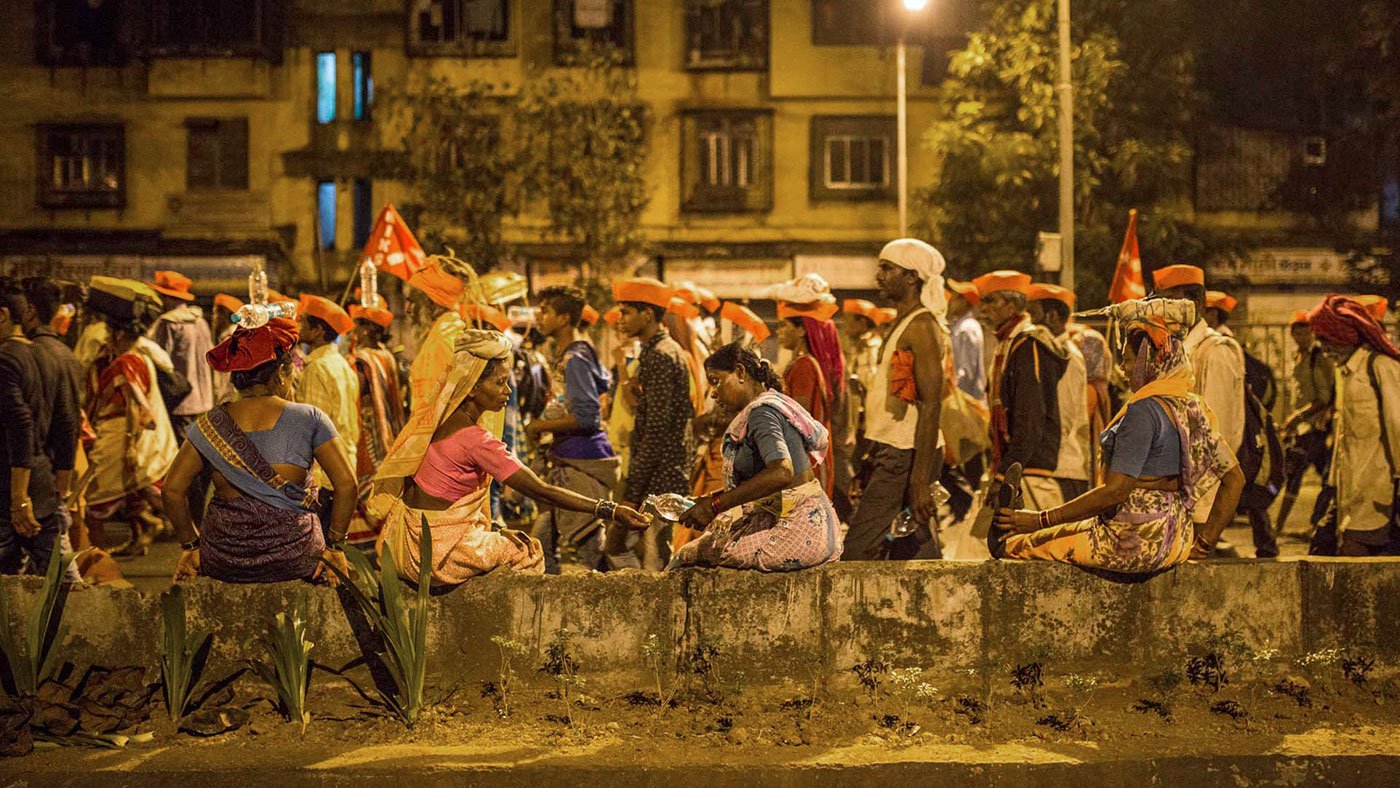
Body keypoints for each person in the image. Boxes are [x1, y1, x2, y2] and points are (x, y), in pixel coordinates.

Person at [367, 330, 648, 585]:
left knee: (504, 534)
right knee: (528, 551)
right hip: (436, 555)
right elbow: (541, 490)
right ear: (473, 386)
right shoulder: (476, 440)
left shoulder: (434, 423)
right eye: (500, 382)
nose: (508, 391)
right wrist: (609, 510)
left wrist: (497, 528)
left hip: (404, 543)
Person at [993, 298, 1246, 574]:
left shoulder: (1144, 411)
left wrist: (1039, 520)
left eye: (1126, 359)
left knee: (1019, 545)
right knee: (1062, 529)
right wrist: (1203, 545)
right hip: (1175, 543)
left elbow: (1115, 492)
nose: (1123, 371)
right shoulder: (1194, 407)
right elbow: (1235, 480)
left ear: (1148, 359)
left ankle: (1008, 539)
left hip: (1127, 542)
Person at [166, 318, 356, 584]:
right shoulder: (309, 418)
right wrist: (335, 547)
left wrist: (190, 546)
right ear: (281, 373)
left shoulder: (211, 423)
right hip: (296, 557)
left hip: (225, 557)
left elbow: (172, 490)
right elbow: (347, 485)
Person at [673, 343, 842, 570]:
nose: (713, 392)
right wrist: (707, 501)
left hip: (797, 528)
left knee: (694, 555)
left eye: (716, 381)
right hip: (804, 521)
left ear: (741, 373)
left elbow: (781, 472)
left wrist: (714, 505)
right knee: (704, 544)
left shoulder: (761, 413)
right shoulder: (767, 407)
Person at [1151, 265, 1274, 557]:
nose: (1160, 309)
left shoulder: (1216, 351)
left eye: (1167, 301)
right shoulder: (1177, 349)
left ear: (1193, 302)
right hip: (1177, 495)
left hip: (1201, 499)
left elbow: (1217, 436)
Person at [842, 238, 946, 561]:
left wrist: (918, 480)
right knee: (913, 550)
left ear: (912, 277)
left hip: (904, 454)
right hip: (894, 450)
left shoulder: (923, 326)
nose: (879, 276)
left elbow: (931, 406)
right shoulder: (903, 323)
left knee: (857, 552)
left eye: (888, 269)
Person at [524, 285, 631, 573]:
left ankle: (613, 603)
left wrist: (539, 425)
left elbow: (587, 417)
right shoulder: (576, 353)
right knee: (542, 542)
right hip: (567, 459)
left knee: (589, 551)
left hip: (580, 462)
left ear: (564, 319)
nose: (538, 316)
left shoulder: (575, 359)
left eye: (545, 311)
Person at [78, 278, 179, 556]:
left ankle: (94, 561)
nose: (108, 339)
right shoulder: (139, 357)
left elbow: (136, 406)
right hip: (124, 438)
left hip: (120, 439)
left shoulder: (127, 361)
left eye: (111, 333)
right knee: (149, 493)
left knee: (94, 504)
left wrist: (130, 445)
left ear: (121, 336)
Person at [976, 270, 1067, 558]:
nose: (984, 309)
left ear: (1012, 305)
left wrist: (1005, 474)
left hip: (1029, 473)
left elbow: (1030, 419)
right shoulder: (1008, 343)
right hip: (1013, 470)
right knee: (983, 549)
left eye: (990, 301)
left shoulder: (1028, 345)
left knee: (1028, 556)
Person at [1307, 296, 1400, 556]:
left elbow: (1397, 427)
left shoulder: (1381, 367)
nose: (1322, 347)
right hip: (1348, 494)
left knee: (1351, 562)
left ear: (1343, 335)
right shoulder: (1348, 372)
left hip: (1377, 494)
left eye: (1325, 338)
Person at [615, 278, 694, 570]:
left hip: (661, 475)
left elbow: (657, 429)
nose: (620, 319)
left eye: (626, 312)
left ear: (647, 314)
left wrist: (634, 489)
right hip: (658, 471)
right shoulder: (656, 351)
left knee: (653, 562)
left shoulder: (662, 355)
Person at [0, 280, 63, 574]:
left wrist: (17, 500)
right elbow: (65, 420)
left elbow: (20, 424)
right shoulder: (46, 355)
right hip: (42, 481)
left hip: (11, 489)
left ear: (3, 315)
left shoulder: (5, 360)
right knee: (54, 580)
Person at [20, 278, 83, 557]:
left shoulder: (27, 354)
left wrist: (64, 478)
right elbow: (70, 420)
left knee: (49, 559)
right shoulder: (65, 354)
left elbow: (66, 420)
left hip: (33, 472)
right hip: (51, 471)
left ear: (30, 311)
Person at [772, 274, 844, 496]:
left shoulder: (804, 365)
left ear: (801, 330)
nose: (779, 331)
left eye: (784, 325)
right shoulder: (802, 363)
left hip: (805, 464)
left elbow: (797, 419)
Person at [296, 295, 361, 531]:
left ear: (318, 330)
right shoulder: (341, 365)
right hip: (344, 466)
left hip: (324, 475)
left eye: (303, 322)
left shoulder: (318, 369)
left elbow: (312, 429)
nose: (298, 326)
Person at [346, 302, 408, 545]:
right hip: (388, 430)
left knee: (368, 483)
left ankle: (372, 538)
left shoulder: (363, 361)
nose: (353, 332)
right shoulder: (386, 355)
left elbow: (356, 387)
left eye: (357, 327)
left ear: (367, 330)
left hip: (370, 429)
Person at [1028, 284, 1093, 500]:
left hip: (1060, 471)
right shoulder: (1049, 353)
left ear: (1053, 316)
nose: (1030, 322)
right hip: (1051, 469)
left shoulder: (1067, 356)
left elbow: (1063, 417)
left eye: (1033, 314)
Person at [1277, 309, 1335, 536]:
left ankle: (1277, 527)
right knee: (1327, 478)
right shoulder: (1297, 357)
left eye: (1305, 333)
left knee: (1295, 475)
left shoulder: (1317, 357)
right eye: (1297, 333)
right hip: (1304, 428)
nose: (1301, 337)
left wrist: (1297, 416)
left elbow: (1322, 396)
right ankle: (1319, 524)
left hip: (1313, 427)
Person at [147, 271, 215, 431]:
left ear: (167, 297)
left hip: (180, 404)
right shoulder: (201, 322)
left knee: (181, 453)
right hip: (205, 402)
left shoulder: (168, 323)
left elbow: (159, 360)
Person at [838, 298, 884, 520]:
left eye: (849, 321)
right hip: (858, 419)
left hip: (868, 421)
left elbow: (873, 385)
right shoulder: (857, 347)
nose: (845, 326)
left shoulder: (872, 348)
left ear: (862, 322)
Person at [210, 294, 243, 407]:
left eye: (217, 313)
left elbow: (226, 379)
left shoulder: (230, 340)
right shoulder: (234, 336)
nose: (214, 317)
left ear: (228, 315)